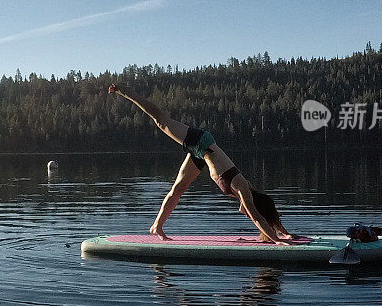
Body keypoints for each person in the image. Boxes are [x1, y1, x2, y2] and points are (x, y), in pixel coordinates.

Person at [108, 83, 294, 245]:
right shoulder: (242, 188)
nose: (244, 213)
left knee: (178, 189)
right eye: (248, 212)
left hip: (201, 155)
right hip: (201, 142)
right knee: (161, 121)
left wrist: (283, 232)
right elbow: (255, 214)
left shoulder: (246, 194)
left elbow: (266, 211)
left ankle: (156, 227)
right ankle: (126, 91)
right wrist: (276, 239)